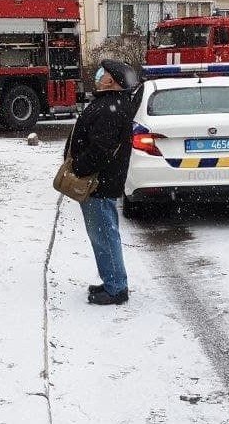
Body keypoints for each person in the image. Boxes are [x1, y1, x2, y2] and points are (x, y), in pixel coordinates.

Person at [70, 59, 137, 306]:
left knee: (105, 236)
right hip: (103, 181)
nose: (98, 75)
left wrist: (79, 167)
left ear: (111, 80)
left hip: (100, 182)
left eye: (102, 72)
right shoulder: (111, 104)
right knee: (103, 234)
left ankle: (116, 288)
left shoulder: (111, 107)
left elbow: (101, 150)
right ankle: (111, 280)